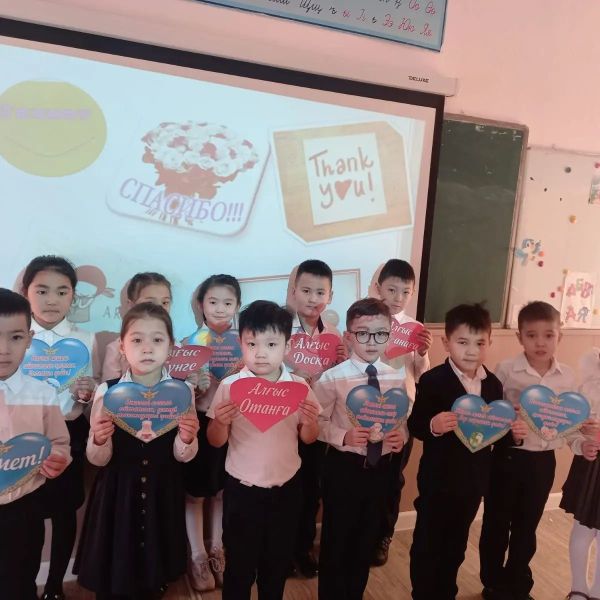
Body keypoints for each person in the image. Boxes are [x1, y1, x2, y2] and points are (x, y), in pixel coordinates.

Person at [75, 302, 199, 599]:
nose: (147, 348)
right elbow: (97, 459)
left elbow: (184, 455)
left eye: (157, 339)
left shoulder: (183, 392)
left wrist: (187, 438)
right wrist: (99, 440)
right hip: (118, 491)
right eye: (137, 340)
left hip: (162, 488)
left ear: (170, 347)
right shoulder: (108, 391)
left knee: (154, 569)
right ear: (122, 346)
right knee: (116, 563)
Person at [409, 303, 527, 600]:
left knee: (456, 545)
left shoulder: (493, 385)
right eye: (463, 342)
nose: (471, 351)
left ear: (489, 343)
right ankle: (423, 594)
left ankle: (446, 592)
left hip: (473, 484)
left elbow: (496, 435)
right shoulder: (433, 380)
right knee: (427, 545)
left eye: (479, 343)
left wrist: (513, 435)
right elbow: (416, 425)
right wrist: (434, 425)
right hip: (437, 482)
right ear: (446, 342)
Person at [207, 300, 320, 600]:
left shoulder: (299, 387)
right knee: (239, 568)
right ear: (241, 345)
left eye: (271, 344)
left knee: (276, 566)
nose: (260, 353)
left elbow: (309, 438)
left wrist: (310, 422)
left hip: (286, 490)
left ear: (287, 346)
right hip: (242, 492)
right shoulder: (230, 386)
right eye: (251, 343)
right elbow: (216, 440)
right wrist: (219, 422)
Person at [480, 301, 576, 600]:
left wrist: (582, 434)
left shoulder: (567, 377)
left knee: (527, 526)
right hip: (507, 458)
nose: (540, 342)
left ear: (560, 336)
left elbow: (570, 422)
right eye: (532, 335)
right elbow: (489, 413)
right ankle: (493, 583)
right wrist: (509, 417)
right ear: (520, 337)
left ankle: (518, 584)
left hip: (542, 462)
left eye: (548, 335)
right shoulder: (507, 370)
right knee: (496, 522)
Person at [315, 297, 407, 600]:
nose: (371, 341)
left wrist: (400, 437)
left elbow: (400, 420)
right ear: (348, 336)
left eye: (380, 334)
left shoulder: (395, 376)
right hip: (345, 470)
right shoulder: (333, 378)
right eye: (363, 333)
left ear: (389, 336)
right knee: (337, 540)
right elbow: (316, 423)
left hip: (381, 470)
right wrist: (343, 436)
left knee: (365, 540)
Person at [22, 255, 99, 600]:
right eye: (42, 290)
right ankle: (25, 584)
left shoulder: (86, 339)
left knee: (65, 512)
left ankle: (54, 586)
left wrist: (88, 393)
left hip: (69, 435)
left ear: (72, 296)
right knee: (27, 515)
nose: (51, 300)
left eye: (61, 291)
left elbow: (91, 393)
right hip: (24, 436)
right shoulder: (16, 336)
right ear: (26, 292)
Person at [0, 288, 70, 600]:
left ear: (29, 339)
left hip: (24, 510)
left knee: (20, 583)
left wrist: (57, 459)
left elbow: (59, 442)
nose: (3, 349)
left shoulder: (43, 393)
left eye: (15, 337)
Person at [287, 259, 346, 577]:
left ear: (330, 296)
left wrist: (340, 365)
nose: (313, 298)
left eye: (320, 292)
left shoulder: (335, 337)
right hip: (282, 424)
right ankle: (280, 554)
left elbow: (338, 384)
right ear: (294, 291)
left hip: (316, 425)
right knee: (282, 491)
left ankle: (303, 549)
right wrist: (291, 374)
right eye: (306, 290)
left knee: (311, 491)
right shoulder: (280, 331)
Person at [372, 258, 433, 565]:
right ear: (378, 287)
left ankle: (383, 536)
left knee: (392, 480)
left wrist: (422, 352)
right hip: (366, 412)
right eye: (391, 289)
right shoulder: (365, 322)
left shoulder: (415, 329)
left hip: (401, 417)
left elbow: (422, 374)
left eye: (405, 291)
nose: (397, 297)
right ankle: (359, 534)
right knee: (363, 479)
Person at [183, 274, 241, 591]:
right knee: (195, 492)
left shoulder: (244, 342)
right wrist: (194, 385)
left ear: (237, 306)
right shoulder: (190, 342)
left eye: (227, 303)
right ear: (201, 304)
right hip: (201, 422)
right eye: (213, 302)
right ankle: (197, 556)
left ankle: (218, 548)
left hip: (233, 424)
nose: (220, 309)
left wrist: (241, 373)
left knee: (222, 491)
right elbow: (178, 393)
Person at [560, 348, 600, 600]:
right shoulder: (586, 386)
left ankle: (597, 591)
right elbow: (570, 427)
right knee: (582, 530)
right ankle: (578, 589)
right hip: (590, 466)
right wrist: (582, 440)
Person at [101, 272, 173, 380]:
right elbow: (109, 387)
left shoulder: (177, 347)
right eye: (150, 302)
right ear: (131, 305)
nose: (159, 308)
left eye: (165, 302)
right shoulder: (116, 349)